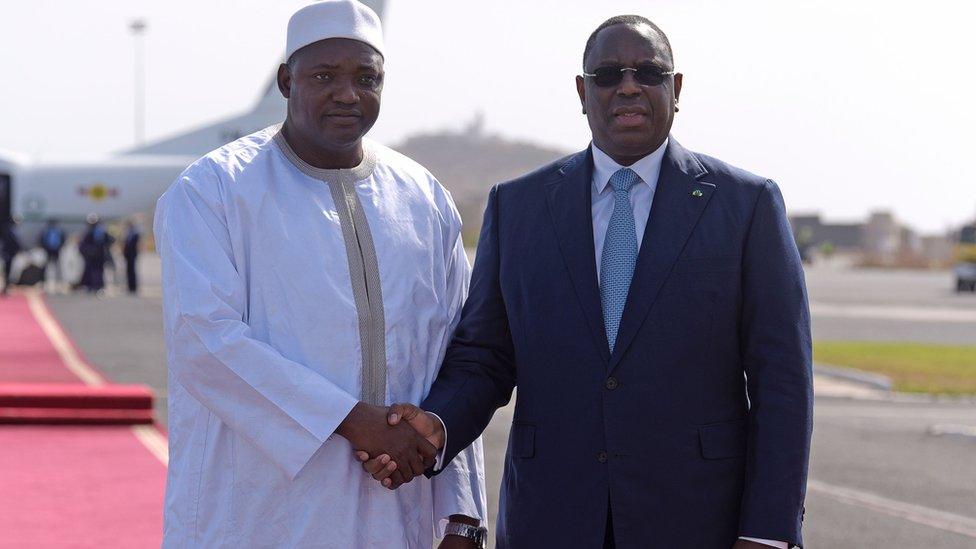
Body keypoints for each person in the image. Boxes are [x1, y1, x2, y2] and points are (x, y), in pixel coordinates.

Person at [361, 15, 812, 549]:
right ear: (582, 91)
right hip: (550, 517)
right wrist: (436, 426)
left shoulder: (745, 206)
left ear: (677, 88)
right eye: (607, 75)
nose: (628, 86)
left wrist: (768, 533)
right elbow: (485, 354)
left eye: (648, 72)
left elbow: (782, 382)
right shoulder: (519, 207)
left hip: (697, 520)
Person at [153, 1, 486, 547]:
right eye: (324, 76)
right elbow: (203, 341)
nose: (347, 94)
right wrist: (353, 419)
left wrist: (463, 516)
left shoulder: (423, 198)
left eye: (365, 77)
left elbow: (454, 355)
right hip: (259, 513)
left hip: (398, 510)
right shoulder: (214, 189)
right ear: (287, 81)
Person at [78, 216, 113, 293]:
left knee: (93, 271)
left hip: (92, 255)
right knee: (99, 271)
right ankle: (98, 286)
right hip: (100, 255)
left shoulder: (89, 232)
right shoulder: (102, 231)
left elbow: (82, 245)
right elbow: (111, 240)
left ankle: (94, 286)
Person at [38, 219, 66, 290]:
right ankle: (48, 281)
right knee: (51, 266)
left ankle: (55, 281)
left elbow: (41, 239)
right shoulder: (55, 231)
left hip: (52, 250)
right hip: (52, 249)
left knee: (53, 266)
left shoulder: (49, 231)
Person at [0, 220, 21, 296]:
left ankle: (6, 287)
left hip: (8, 254)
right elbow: (13, 243)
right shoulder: (9, 232)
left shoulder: (9, 231)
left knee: (7, 272)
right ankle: (6, 288)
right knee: (6, 272)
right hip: (7, 254)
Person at [122, 221, 140, 294]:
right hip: (127, 256)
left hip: (132, 255)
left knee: (132, 272)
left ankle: (134, 287)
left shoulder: (135, 234)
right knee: (128, 271)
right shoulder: (127, 234)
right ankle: (129, 287)